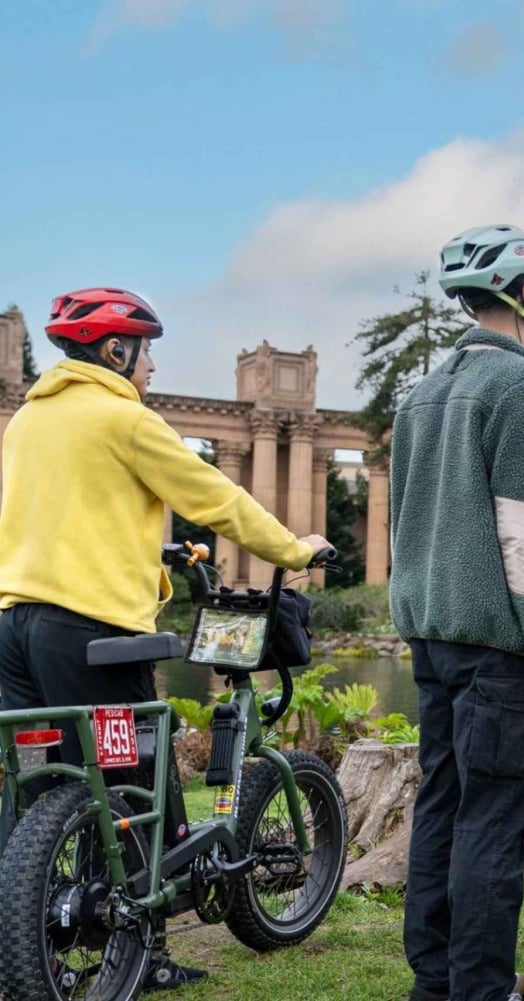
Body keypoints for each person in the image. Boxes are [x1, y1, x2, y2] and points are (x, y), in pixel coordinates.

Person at [0, 286, 331, 992]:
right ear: (117, 351)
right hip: (90, 629)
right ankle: (141, 955)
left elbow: (64, 517)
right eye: (146, 352)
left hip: (15, 627)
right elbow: (216, 496)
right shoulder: (124, 419)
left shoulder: (28, 421)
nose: (150, 367)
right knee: (135, 780)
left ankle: (34, 937)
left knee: (52, 783)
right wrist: (295, 548)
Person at [391, 224, 524, 1001]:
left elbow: (406, 519)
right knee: (491, 821)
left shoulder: (423, 395)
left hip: (433, 637)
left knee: (440, 804)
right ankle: (477, 988)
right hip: (494, 646)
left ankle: (433, 983)